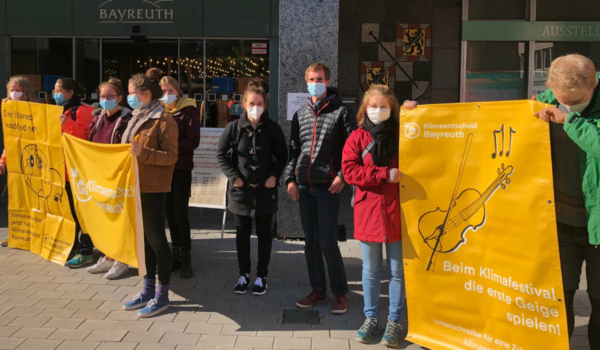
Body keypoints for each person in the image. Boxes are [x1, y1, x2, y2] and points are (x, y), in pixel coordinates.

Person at [533, 54, 600, 349]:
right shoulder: (541, 103)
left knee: (599, 301)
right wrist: (416, 115)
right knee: (560, 300)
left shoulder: (567, 114)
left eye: (578, 101)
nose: (569, 106)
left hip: (597, 227)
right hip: (559, 223)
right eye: (564, 101)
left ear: (594, 84)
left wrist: (569, 120)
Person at [283, 63, 356, 314]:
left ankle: (340, 293)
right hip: (304, 186)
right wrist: (290, 180)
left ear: (328, 82)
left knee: (327, 242)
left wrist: (343, 176)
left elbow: (353, 149)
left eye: (320, 78)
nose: (316, 82)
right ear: (306, 82)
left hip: (328, 188)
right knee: (310, 242)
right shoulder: (300, 115)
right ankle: (318, 290)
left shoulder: (342, 112)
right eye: (311, 78)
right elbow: (294, 150)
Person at [342, 84, 404, 347]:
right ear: (364, 109)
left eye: (383, 106)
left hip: (398, 211)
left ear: (393, 109)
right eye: (373, 106)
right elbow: (349, 172)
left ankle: (395, 321)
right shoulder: (356, 137)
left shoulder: (404, 134)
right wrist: (381, 175)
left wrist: (414, 112)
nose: (378, 110)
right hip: (368, 211)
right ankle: (371, 318)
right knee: (370, 270)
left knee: (398, 270)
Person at [216, 79, 288, 295]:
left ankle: (262, 276)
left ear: (264, 105)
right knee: (242, 235)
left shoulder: (273, 129)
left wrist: (275, 176)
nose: (255, 106)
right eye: (251, 102)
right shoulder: (233, 128)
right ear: (244, 104)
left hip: (265, 192)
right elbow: (220, 155)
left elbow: (283, 155)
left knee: (265, 235)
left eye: (259, 103)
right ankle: (244, 274)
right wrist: (234, 176)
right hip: (240, 193)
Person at [121, 69, 178, 318]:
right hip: (134, 188)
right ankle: (147, 289)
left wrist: (143, 153)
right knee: (143, 244)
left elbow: (171, 157)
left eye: (132, 93)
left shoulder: (164, 120)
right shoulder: (136, 117)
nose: (128, 97)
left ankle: (162, 295)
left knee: (156, 242)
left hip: (153, 189)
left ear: (145, 94)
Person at [84, 78, 133, 280]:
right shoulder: (98, 117)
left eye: (110, 97)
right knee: (105, 218)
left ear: (120, 98)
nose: (105, 100)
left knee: (120, 219)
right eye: (103, 96)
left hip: (118, 176)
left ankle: (123, 259)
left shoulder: (127, 118)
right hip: (100, 175)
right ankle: (109, 256)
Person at [159, 76, 201, 279]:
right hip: (162, 170)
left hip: (181, 169)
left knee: (180, 213)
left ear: (178, 91)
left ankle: (186, 256)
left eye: (170, 91)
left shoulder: (188, 110)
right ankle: (175, 252)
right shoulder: (158, 111)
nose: (167, 95)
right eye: (163, 91)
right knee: (169, 213)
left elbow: (193, 140)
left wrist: (170, 150)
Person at [54, 78, 95, 268]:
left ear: (70, 92)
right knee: (68, 212)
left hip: (77, 170)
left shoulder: (82, 110)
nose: (55, 94)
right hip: (60, 169)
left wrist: (68, 122)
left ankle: (86, 250)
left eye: (58, 90)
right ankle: (72, 245)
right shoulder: (56, 109)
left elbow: (85, 137)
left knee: (82, 213)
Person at [0, 76, 36, 248]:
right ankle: (16, 235)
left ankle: (34, 235)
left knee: (32, 200)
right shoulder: (8, 108)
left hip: (31, 161)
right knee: (16, 199)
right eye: (11, 90)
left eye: (18, 90)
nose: (14, 93)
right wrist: (4, 159)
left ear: (26, 91)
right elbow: (9, 139)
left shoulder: (35, 109)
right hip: (15, 162)